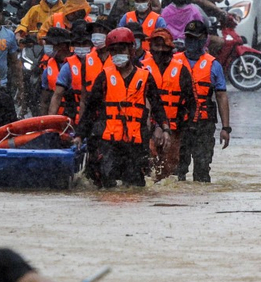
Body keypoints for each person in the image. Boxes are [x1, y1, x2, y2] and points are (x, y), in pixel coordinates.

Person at [75, 27, 170, 188]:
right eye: (114, 51)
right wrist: (79, 135)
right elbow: (90, 109)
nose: (118, 54)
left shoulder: (145, 77)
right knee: (107, 186)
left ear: (131, 50)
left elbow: (157, 106)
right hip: (109, 142)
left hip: (135, 143)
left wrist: (165, 129)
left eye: (121, 49)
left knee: (135, 187)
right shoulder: (104, 77)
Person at [173, 20, 231, 183]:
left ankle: (200, 203)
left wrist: (226, 128)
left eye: (195, 38)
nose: (191, 42)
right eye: (188, 38)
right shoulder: (174, 61)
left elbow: (221, 97)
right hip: (179, 125)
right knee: (176, 173)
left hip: (203, 126)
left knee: (202, 172)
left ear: (204, 39)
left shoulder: (214, 65)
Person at [141, 28, 195, 181]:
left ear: (170, 47)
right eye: (156, 45)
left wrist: (186, 126)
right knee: (147, 165)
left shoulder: (181, 70)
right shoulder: (142, 68)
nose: (160, 49)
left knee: (169, 170)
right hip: (146, 128)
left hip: (174, 128)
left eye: (163, 45)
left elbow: (191, 102)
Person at [47, 20, 90, 122]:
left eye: (84, 44)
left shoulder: (102, 63)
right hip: (73, 116)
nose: (81, 47)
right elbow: (57, 96)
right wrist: (50, 121)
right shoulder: (68, 67)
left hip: (94, 115)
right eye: (78, 44)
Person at [40, 27, 71, 116]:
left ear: (63, 45)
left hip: (73, 116)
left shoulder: (76, 64)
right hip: (55, 118)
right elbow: (44, 101)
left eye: (51, 43)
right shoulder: (48, 68)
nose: (47, 46)